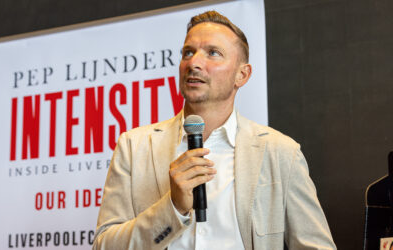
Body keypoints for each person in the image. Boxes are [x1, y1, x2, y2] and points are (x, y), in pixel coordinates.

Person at [93, 11, 336, 250]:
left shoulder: (281, 152)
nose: (194, 63)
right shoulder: (134, 147)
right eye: (188, 52)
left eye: (213, 53)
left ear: (242, 75)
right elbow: (103, 246)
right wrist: (173, 207)